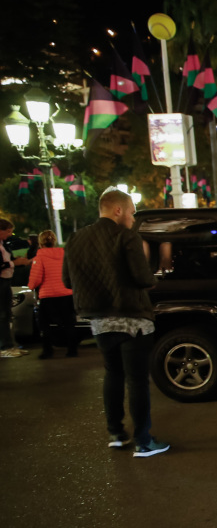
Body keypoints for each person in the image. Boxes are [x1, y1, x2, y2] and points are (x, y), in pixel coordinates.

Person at [62, 190, 169, 457]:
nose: (133, 217)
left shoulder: (75, 239)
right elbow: (143, 278)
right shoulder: (125, 237)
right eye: (132, 211)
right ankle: (143, 441)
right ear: (117, 210)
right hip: (132, 319)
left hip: (99, 321)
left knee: (112, 374)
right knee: (137, 381)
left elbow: (67, 281)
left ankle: (116, 433)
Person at [28, 230, 79, 359]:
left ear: (40, 243)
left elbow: (36, 279)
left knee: (44, 324)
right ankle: (72, 350)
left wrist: (31, 286)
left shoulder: (39, 257)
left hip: (48, 295)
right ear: (54, 241)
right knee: (69, 322)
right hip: (66, 293)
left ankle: (48, 351)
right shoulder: (64, 254)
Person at [1, 218, 28, 357]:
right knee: (3, 315)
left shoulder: (3, 244)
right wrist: (13, 263)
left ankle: (11, 345)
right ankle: (5, 347)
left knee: (7, 314)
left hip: (6, 280)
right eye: (8, 231)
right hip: (1, 281)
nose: (9, 235)